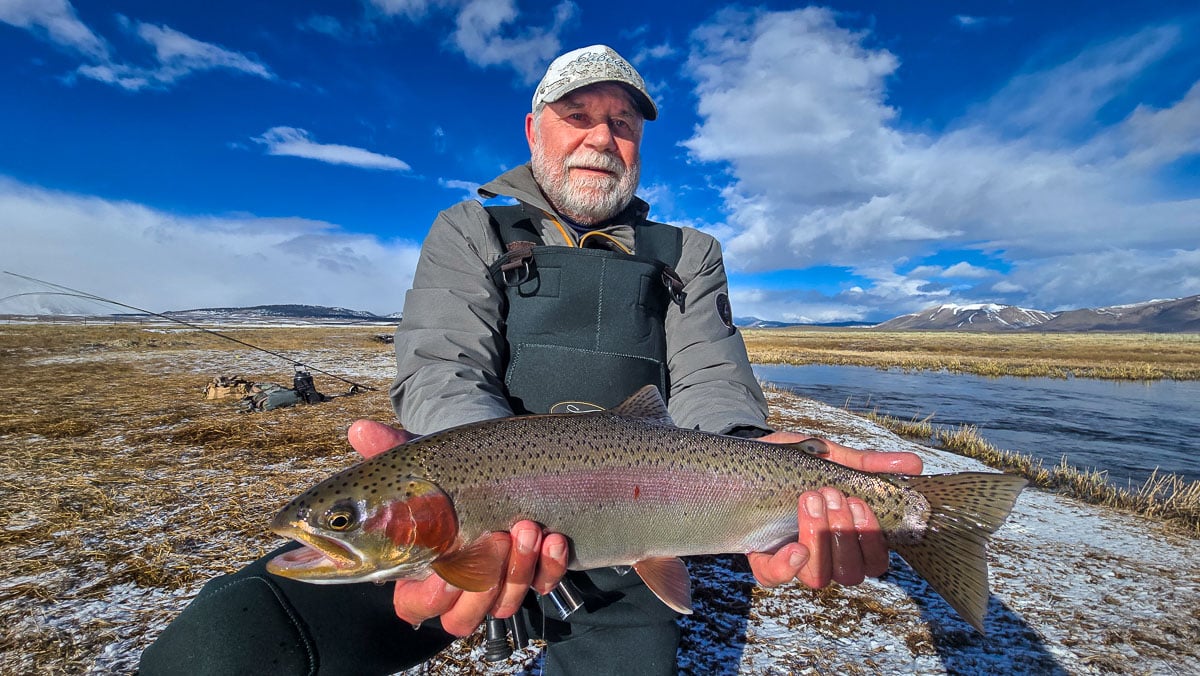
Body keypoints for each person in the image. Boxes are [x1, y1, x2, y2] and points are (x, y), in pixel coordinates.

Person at [140, 45, 922, 675]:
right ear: (532, 130)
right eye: (576, 115)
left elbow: (712, 374)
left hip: (646, 522)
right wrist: (495, 487)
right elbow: (443, 368)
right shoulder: (470, 231)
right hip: (482, 522)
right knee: (225, 641)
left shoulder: (690, 251)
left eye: (622, 125)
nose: (600, 138)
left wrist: (751, 453)